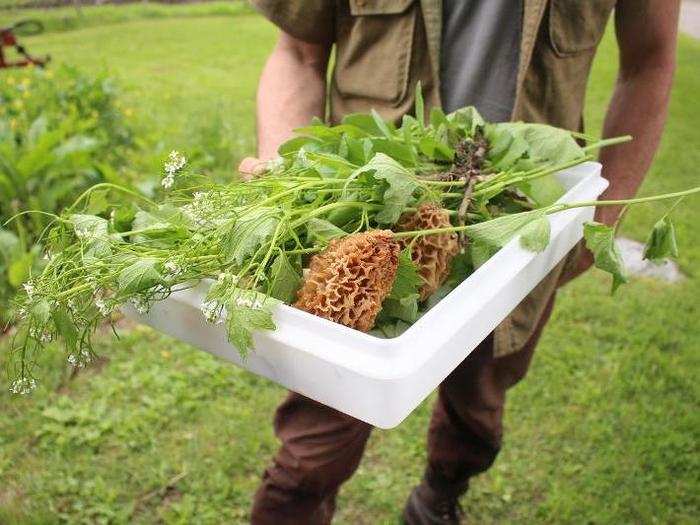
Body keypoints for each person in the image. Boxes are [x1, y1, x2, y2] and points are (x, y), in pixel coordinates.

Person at [239, 1, 680, 523]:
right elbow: (297, 52)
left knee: (479, 409)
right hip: (365, 215)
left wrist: (605, 211)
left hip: (517, 227)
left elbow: (649, 60)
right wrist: (289, 177)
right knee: (314, 442)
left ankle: (438, 496)